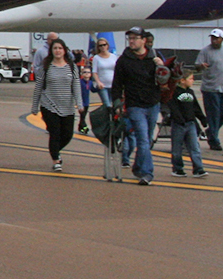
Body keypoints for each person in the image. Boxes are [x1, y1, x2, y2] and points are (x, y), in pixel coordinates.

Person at [113, 26, 165, 185]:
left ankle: (137, 166)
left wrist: (162, 66)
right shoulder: (124, 59)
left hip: (152, 103)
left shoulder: (154, 57)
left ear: (144, 40)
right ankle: (147, 173)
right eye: (130, 38)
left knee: (147, 139)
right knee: (142, 139)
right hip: (134, 104)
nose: (132, 41)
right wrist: (117, 102)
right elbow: (117, 83)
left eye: (135, 38)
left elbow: (165, 79)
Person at [31, 37, 79, 172]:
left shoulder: (72, 67)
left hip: (67, 106)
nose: (57, 51)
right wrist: (34, 106)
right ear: (51, 51)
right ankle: (56, 160)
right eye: (55, 48)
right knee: (55, 133)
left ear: (64, 51)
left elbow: (76, 86)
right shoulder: (45, 67)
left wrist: (79, 104)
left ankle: (56, 150)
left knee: (67, 134)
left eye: (60, 48)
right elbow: (38, 87)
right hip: (49, 105)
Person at [194, 28, 223, 152]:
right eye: (212, 38)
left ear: (222, 39)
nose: (214, 40)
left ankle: (211, 131)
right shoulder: (205, 51)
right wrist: (201, 66)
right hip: (210, 88)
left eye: (216, 38)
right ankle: (214, 140)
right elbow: (197, 66)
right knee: (214, 115)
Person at [168, 70, 210, 178]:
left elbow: (196, 107)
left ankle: (198, 169)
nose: (193, 81)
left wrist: (202, 119)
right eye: (190, 79)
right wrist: (178, 119)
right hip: (178, 125)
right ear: (182, 80)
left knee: (194, 147)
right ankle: (177, 168)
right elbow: (173, 107)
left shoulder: (190, 92)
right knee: (177, 148)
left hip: (190, 124)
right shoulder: (174, 92)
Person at [90, 37, 118, 109]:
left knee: (114, 104)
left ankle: (114, 118)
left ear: (107, 45)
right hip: (103, 85)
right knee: (107, 105)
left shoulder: (113, 57)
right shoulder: (96, 58)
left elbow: (117, 70)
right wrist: (98, 82)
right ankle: (107, 118)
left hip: (113, 85)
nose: (103, 47)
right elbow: (94, 72)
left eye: (104, 45)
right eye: (100, 45)